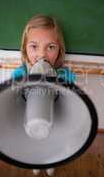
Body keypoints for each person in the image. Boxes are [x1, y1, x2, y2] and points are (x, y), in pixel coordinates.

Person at [12, 14, 76, 176]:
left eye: (51, 47)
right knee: (33, 140)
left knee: (53, 140)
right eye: (34, 46)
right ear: (25, 49)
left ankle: (51, 160)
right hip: (30, 119)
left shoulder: (64, 74)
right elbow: (13, 101)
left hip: (55, 118)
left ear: (59, 50)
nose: (42, 54)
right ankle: (36, 159)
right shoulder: (20, 74)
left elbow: (72, 101)